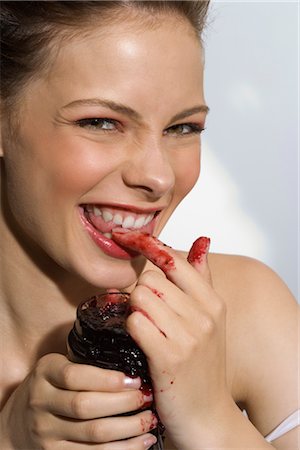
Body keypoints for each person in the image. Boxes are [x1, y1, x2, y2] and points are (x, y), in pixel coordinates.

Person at [0, 1, 298, 449]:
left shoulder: (246, 309)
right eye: (101, 122)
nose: (158, 177)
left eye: (182, 128)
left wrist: (210, 419)